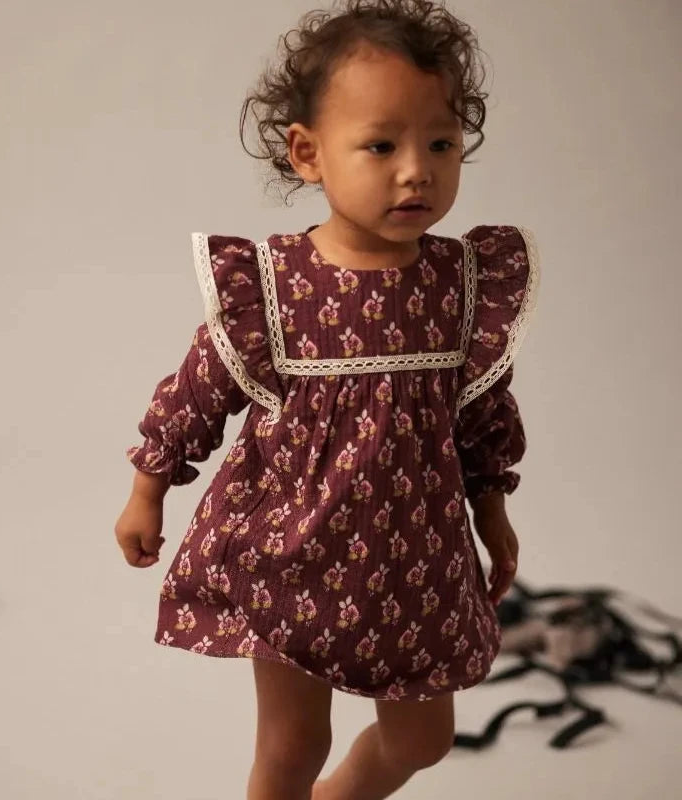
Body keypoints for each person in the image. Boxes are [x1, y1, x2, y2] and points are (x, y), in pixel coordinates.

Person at [114, 1, 540, 798]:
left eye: (441, 144)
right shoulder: (275, 288)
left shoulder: (460, 287)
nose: (416, 169)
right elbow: (197, 389)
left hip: (418, 558)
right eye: (381, 145)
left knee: (424, 737)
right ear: (308, 154)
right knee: (292, 744)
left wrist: (494, 513)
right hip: (292, 555)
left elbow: (481, 417)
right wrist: (149, 488)